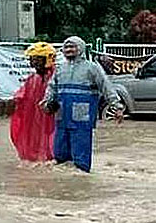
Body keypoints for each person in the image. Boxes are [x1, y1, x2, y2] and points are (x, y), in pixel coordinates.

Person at [41, 36, 122, 173]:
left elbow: (106, 86)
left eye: (72, 47)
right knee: (60, 155)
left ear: (81, 48)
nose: (69, 50)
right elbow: (51, 88)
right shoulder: (60, 69)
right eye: (66, 47)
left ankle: (82, 177)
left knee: (80, 158)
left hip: (82, 119)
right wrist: (46, 101)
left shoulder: (92, 68)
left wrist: (117, 107)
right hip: (62, 117)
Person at [11, 42, 57, 162]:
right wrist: (13, 102)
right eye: (32, 59)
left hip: (53, 118)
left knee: (52, 141)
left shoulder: (57, 76)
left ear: (47, 59)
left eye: (37, 59)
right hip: (35, 119)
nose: (33, 63)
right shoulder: (33, 78)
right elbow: (22, 95)